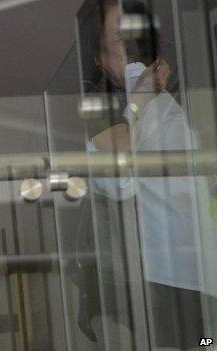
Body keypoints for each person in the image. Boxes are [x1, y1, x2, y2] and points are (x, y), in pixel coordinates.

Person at [74, 1, 217, 349]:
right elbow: (121, 182)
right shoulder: (103, 111)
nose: (133, 50)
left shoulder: (172, 103)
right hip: (165, 279)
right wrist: (137, 100)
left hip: (202, 271)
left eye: (138, 37)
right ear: (101, 59)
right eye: (121, 41)